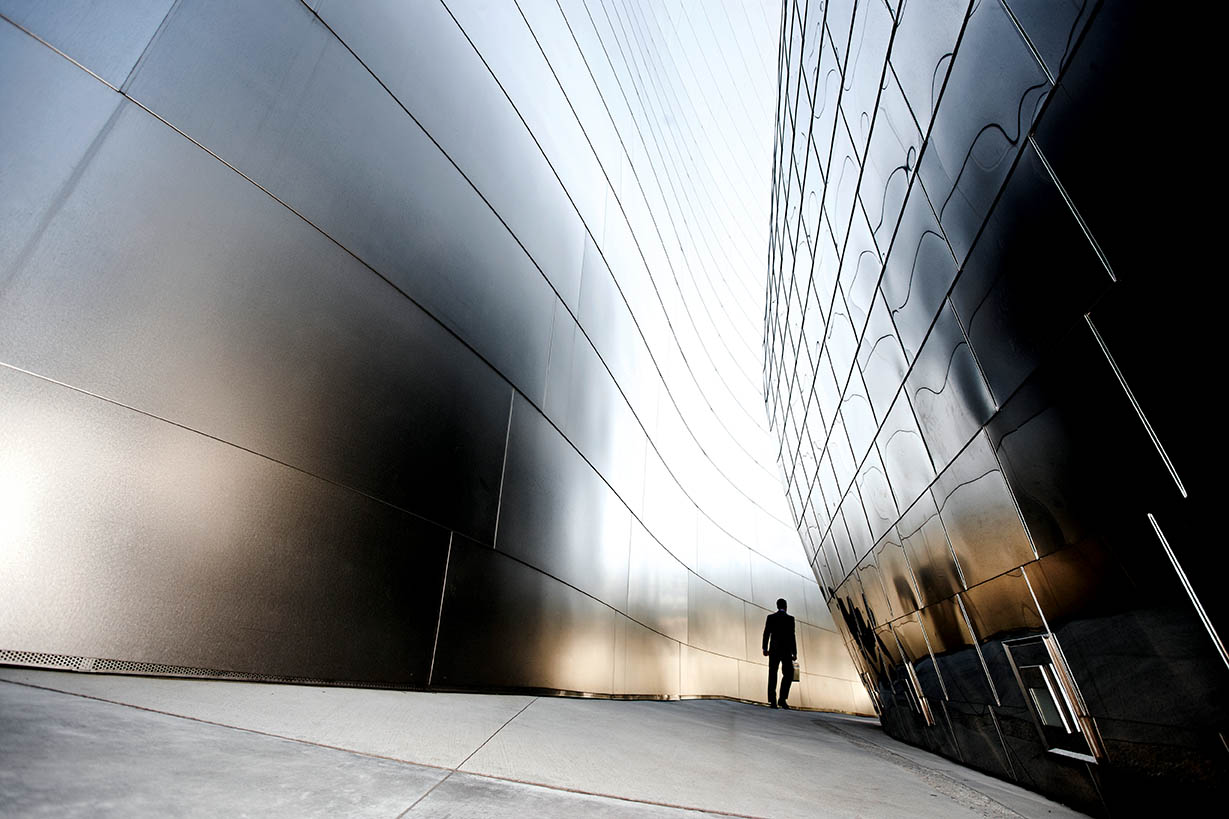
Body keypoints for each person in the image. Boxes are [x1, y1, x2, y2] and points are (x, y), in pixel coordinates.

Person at [762, 598, 797, 709]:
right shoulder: (790, 619)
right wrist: (794, 652)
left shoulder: (771, 618)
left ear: (777, 606)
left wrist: (765, 648)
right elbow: (792, 636)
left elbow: (766, 633)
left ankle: (772, 701)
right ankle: (782, 699)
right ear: (786, 606)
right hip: (786, 651)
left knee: (772, 674)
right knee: (788, 674)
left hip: (774, 650)